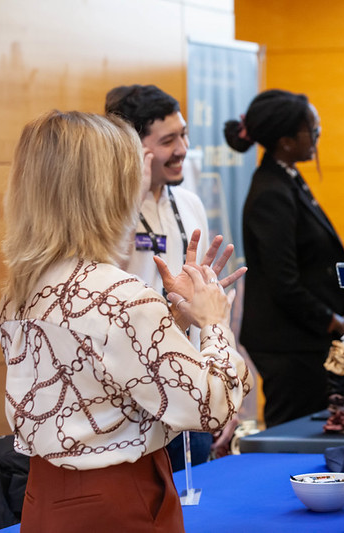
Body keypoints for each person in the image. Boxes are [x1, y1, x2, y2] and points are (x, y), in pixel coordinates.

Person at [0, 110, 252, 532]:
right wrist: (213, 322)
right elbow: (210, 406)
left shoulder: (22, 291)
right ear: (104, 190)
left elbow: (96, 372)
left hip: (45, 495)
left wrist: (169, 318)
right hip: (118, 499)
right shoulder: (120, 295)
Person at [105, 84, 240, 467]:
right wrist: (134, 191)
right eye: (168, 140)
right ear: (133, 146)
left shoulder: (188, 201)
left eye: (183, 134)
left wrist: (221, 389)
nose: (182, 149)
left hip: (188, 384)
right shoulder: (108, 210)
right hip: (130, 394)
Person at [224, 89, 344, 428]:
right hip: (287, 345)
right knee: (292, 437)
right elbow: (284, 282)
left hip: (303, 338)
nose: (318, 137)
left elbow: (312, 261)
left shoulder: (287, 176)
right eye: (312, 131)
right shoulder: (270, 192)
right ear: (286, 141)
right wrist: (334, 320)